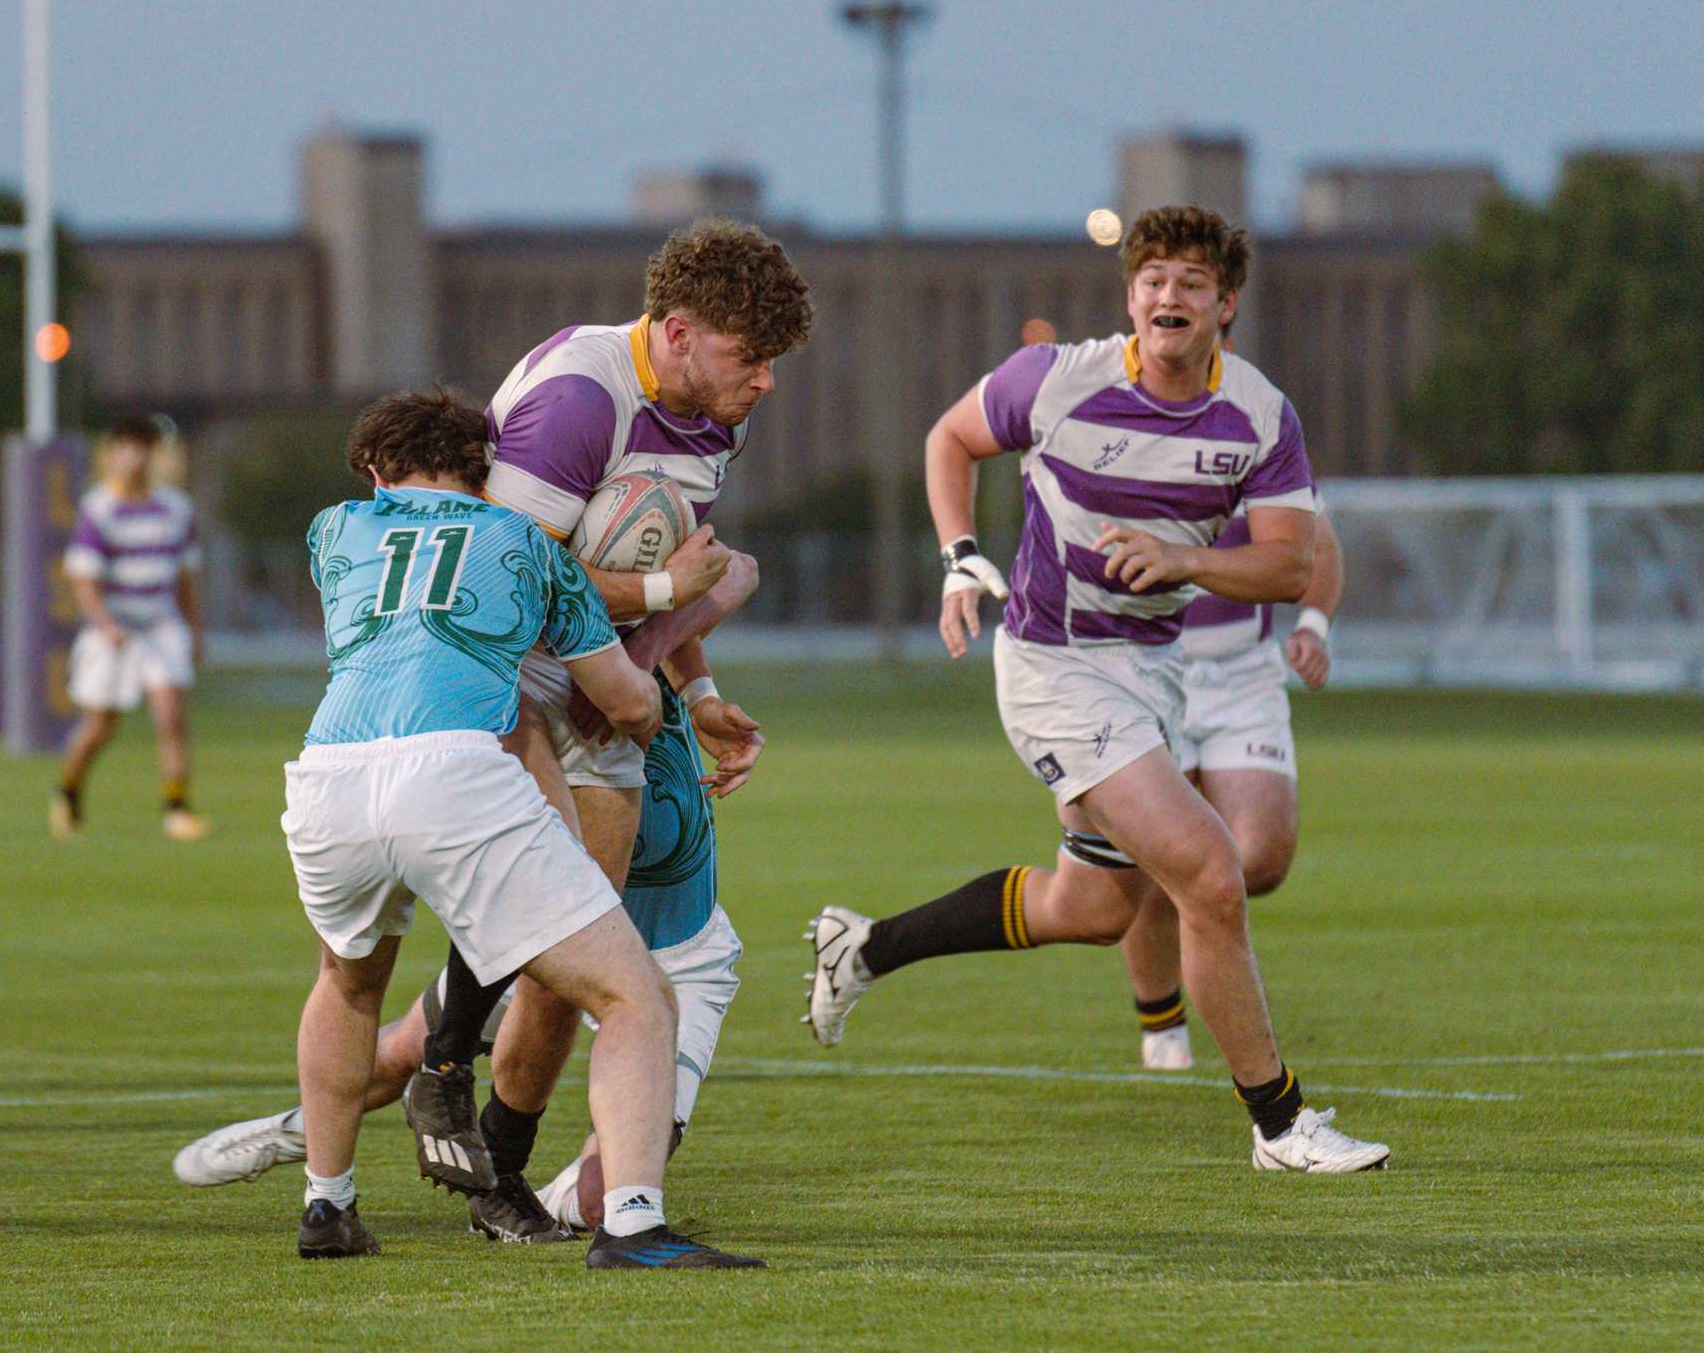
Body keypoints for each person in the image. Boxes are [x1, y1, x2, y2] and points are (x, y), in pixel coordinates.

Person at [803, 206, 1388, 1173]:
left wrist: (1183, 559)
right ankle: (1282, 1127)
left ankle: (864, 948)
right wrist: (957, 558)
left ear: (1223, 304)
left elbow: (1290, 566)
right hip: (1054, 667)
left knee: (1097, 907)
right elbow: (949, 440)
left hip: (1150, 672)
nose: (1170, 296)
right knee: (1208, 869)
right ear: (1131, 297)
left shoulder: (1258, 414)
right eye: (1153, 279)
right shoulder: (1057, 380)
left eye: (1192, 282)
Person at [273, 386, 763, 1267]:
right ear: (483, 470)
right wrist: (667, 691)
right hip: (455, 773)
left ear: (378, 472)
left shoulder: (333, 528)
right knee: (635, 996)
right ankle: (634, 1227)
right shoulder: (526, 544)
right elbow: (619, 697)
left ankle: (327, 1205)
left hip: (329, 773)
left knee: (346, 987)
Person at [395, 218, 810, 1206]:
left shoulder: (716, 415)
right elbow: (512, 587)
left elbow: (673, 555)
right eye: (748, 357)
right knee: (555, 919)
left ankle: (492, 1165)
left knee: (569, 955)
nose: (765, 381)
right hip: (497, 678)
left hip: (604, 685)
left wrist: (699, 692)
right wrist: (669, 595)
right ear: (675, 333)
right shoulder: (580, 400)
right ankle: (432, 1073)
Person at [173, 556, 758, 1241]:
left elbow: (733, 572)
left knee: (598, 1196)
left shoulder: (633, 656)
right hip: (560, 949)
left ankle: (501, 1177)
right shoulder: (518, 700)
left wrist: (692, 687)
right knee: (401, 1055)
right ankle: (309, 1134)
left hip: (685, 957)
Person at [1124, 506, 1344, 1069]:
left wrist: (1312, 627)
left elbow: (1318, 544)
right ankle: (1161, 1017)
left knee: (1262, 858)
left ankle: (1190, 909)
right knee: (1157, 859)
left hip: (1242, 674)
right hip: (1144, 669)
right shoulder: (1123, 437)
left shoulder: (1257, 434)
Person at [50, 414, 209, 842]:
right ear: (113, 452)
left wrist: (194, 630)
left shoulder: (176, 508)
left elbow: (184, 578)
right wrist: (104, 623)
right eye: (126, 445)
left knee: (170, 714)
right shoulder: (98, 508)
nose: (135, 456)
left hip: (160, 625)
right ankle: (68, 790)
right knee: (101, 724)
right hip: (115, 628)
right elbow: (83, 579)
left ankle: (176, 807)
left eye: (143, 446)